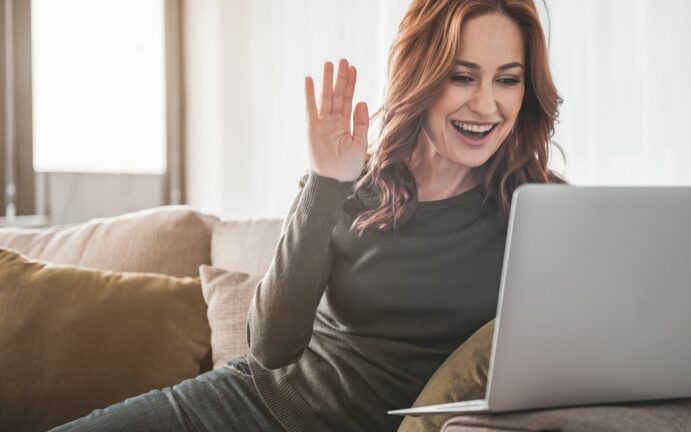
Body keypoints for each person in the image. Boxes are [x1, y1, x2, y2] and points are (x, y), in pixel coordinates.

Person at [51, 0, 563, 431]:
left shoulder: (539, 208)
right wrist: (326, 182)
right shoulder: (352, 182)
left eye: (507, 80)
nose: (486, 104)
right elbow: (270, 348)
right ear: (422, 77)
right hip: (253, 407)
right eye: (462, 76)